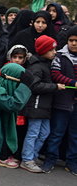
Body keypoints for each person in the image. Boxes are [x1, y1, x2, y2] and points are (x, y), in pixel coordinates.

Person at [20, 35, 64, 173]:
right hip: (36, 105)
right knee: (33, 133)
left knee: (45, 132)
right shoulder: (37, 67)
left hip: (44, 106)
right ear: (44, 50)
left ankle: (33, 156)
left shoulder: (45, 64)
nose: (55, 52)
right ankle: (27, 159)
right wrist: (55, 87)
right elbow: (35, 86)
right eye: (52, 49)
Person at [41, 26, 77, 174]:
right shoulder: (60, 56)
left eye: (76, 41)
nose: (74, 43)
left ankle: (72, 162)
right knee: (57, 132)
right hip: (62, 101)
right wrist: (72, 83)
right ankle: (50, 159)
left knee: (75, 135)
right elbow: (55, 74)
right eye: (71, 40)